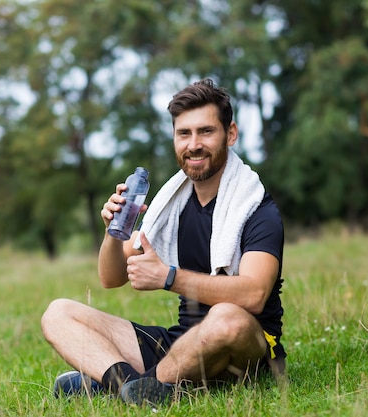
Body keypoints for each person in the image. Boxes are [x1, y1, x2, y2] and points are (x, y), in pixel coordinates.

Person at [41, 78, 286, 407]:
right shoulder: (171, 206)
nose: (194, 144)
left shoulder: (256, 209)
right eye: (184, 133)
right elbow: (111, 277)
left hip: (245, 346)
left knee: (227, 318)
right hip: (181, 344)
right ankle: (132, 386)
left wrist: (169, 277)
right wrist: (113, 233)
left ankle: (134, 382)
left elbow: (254, 295)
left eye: (206, 132)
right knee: (58, 314)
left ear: (230, 134)